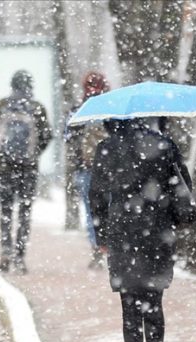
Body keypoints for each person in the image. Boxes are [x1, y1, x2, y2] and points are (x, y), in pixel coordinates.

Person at [89, 118, 192, 342]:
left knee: (130, 306)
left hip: (122, 233)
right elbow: (182, 186)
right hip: (157, 233)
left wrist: (101, 237)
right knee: (154, 303)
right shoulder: (163, 144)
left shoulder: (106, 148)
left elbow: (96, 195)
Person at [0, 70, 52, 275]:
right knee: (25, 211)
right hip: (28, 169)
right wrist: (33, 154)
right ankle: (20, 256)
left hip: (5, 168)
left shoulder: (1, 105)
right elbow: (47, 135)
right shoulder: (36, 107)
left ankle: (5, 251)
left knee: (6, 211)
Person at [64, 71, 110, 269]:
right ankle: (112, 246)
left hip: (86, 169)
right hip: (110, 169)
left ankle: (97, 247)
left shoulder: (78, 110)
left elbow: (68, 136)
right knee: (111, 208)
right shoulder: (111, 109)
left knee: (92, 212)